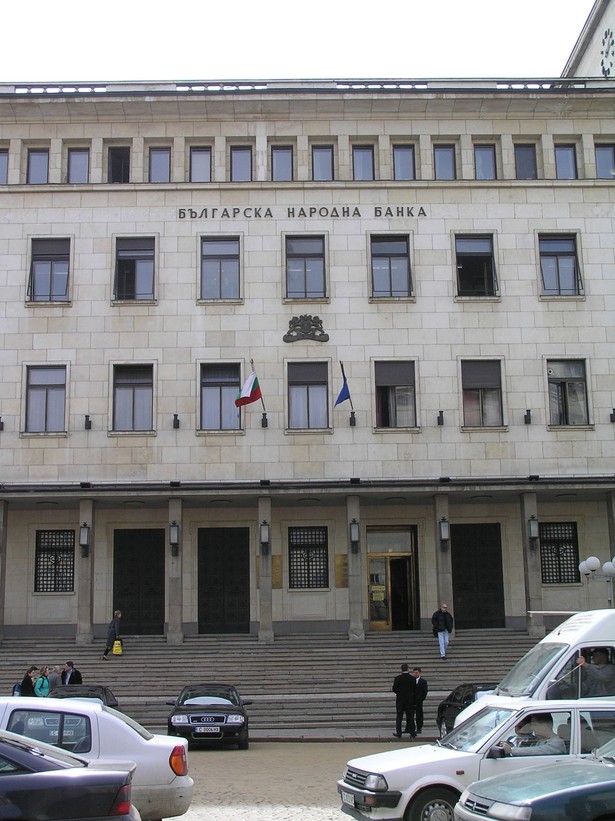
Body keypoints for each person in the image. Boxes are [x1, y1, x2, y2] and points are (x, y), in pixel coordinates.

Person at [498, 713, 566, 756]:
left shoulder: (557, 742)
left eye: (533, 724)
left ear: (544, 725)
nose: (532, 728)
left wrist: (511, 750)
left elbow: (538, 751)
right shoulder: (540, 740)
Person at [392, 663, 416, 739]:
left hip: (400, 700)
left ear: (401, 669)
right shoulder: (412, 678)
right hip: (409, 700)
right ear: (407, 669)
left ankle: (399, 733)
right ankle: (412, 732)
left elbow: (394, 689)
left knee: (399, 717)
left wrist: (400, 694)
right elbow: (414, 689)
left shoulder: (397, 678)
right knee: (410, 717)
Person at [412, 667, 428, 734]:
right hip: (412, 700)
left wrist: (421, 698)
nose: (415, 674)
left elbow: (425, 691)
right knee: (411, 715)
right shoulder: (411, 680)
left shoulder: (423, 681)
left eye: (416, 673)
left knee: (419, 715)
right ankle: (411, 728)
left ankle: (419, 728)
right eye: (414, 673)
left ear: (419, 673)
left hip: (419, 701)